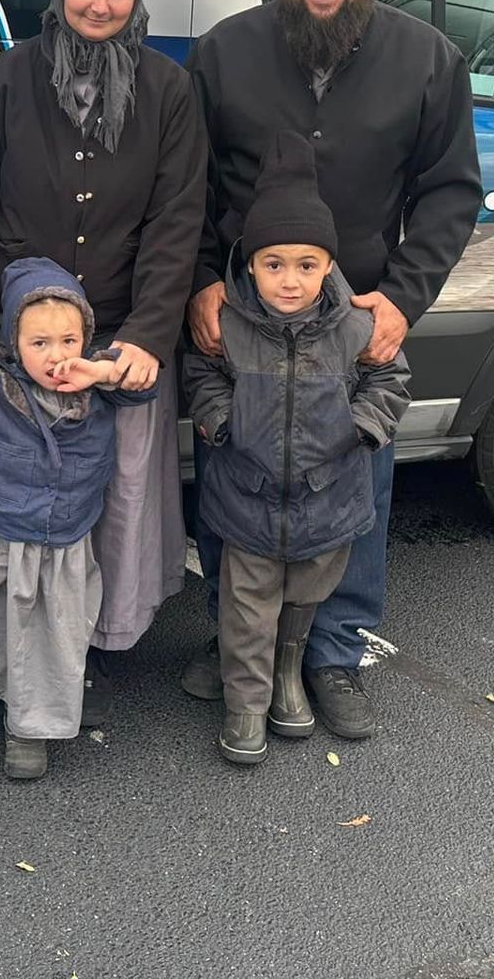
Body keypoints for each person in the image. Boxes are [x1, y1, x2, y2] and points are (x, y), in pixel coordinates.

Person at [183, 0, 483, 740]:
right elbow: (184, 187)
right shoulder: (224, 53)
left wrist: (402, 298)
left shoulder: (428, 61)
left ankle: (336, 651)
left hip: (354, 329)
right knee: (230, 481)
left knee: (356, 487)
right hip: (236, 328)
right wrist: (200, 281)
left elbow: (451, 191)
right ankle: (236, 641)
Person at [0, 0, 208, 723]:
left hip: (110, 346)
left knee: (106, 504)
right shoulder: (2, 83)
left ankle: (77, 643)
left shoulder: (171, 93)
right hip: (6, 346)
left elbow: (177, 224)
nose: (99, 4)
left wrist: (145, 337)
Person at [184, 133, 410, 765]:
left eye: (307, 265)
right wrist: (221, 423)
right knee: (248, 607)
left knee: (305, 597)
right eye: (273, 264)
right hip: (248, 503)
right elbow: (200, 376)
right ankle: (246, 705)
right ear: (249, 264)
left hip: (327, 502)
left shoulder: (356, 326)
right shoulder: (227, 326)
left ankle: (290, 679)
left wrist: (363, 428)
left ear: (329, 267)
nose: (290, 280)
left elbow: (391, 380)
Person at [0, 258, 155, 781]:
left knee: (47, 638)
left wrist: (105, 369)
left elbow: (143, 384)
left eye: (68, 341)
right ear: (12, 342)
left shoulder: (98, 385)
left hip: (60, 544)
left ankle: (29, 726)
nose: (56, 356)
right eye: (38, 342)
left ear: (85, 338)